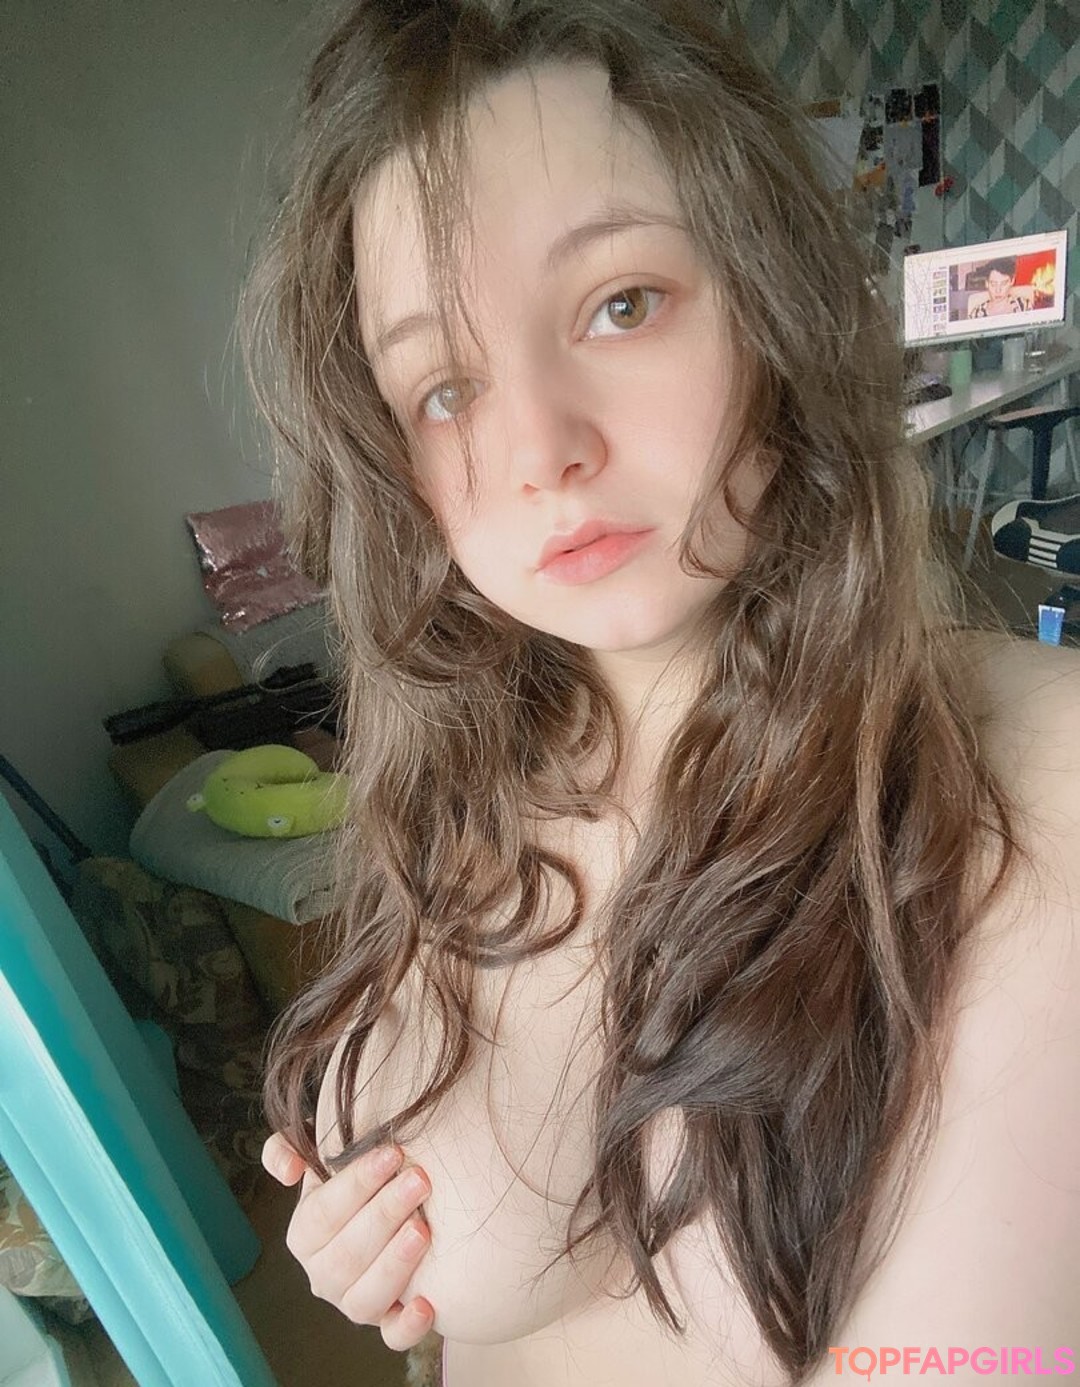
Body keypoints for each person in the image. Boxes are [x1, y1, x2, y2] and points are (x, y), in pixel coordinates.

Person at [245, 3, 1080, 1384]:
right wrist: (372, 1249)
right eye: (444, 387)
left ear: (774, 300)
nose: (540, 449)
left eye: (621, 304)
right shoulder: (469, 776)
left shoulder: (1039, 774)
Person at [965, 257, 1032, 319]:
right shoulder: (976, 314)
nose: (998, 290)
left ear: (1012, 281)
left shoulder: (1024, 306)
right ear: (987, 283)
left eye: (1003, 284)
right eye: (993, 284)